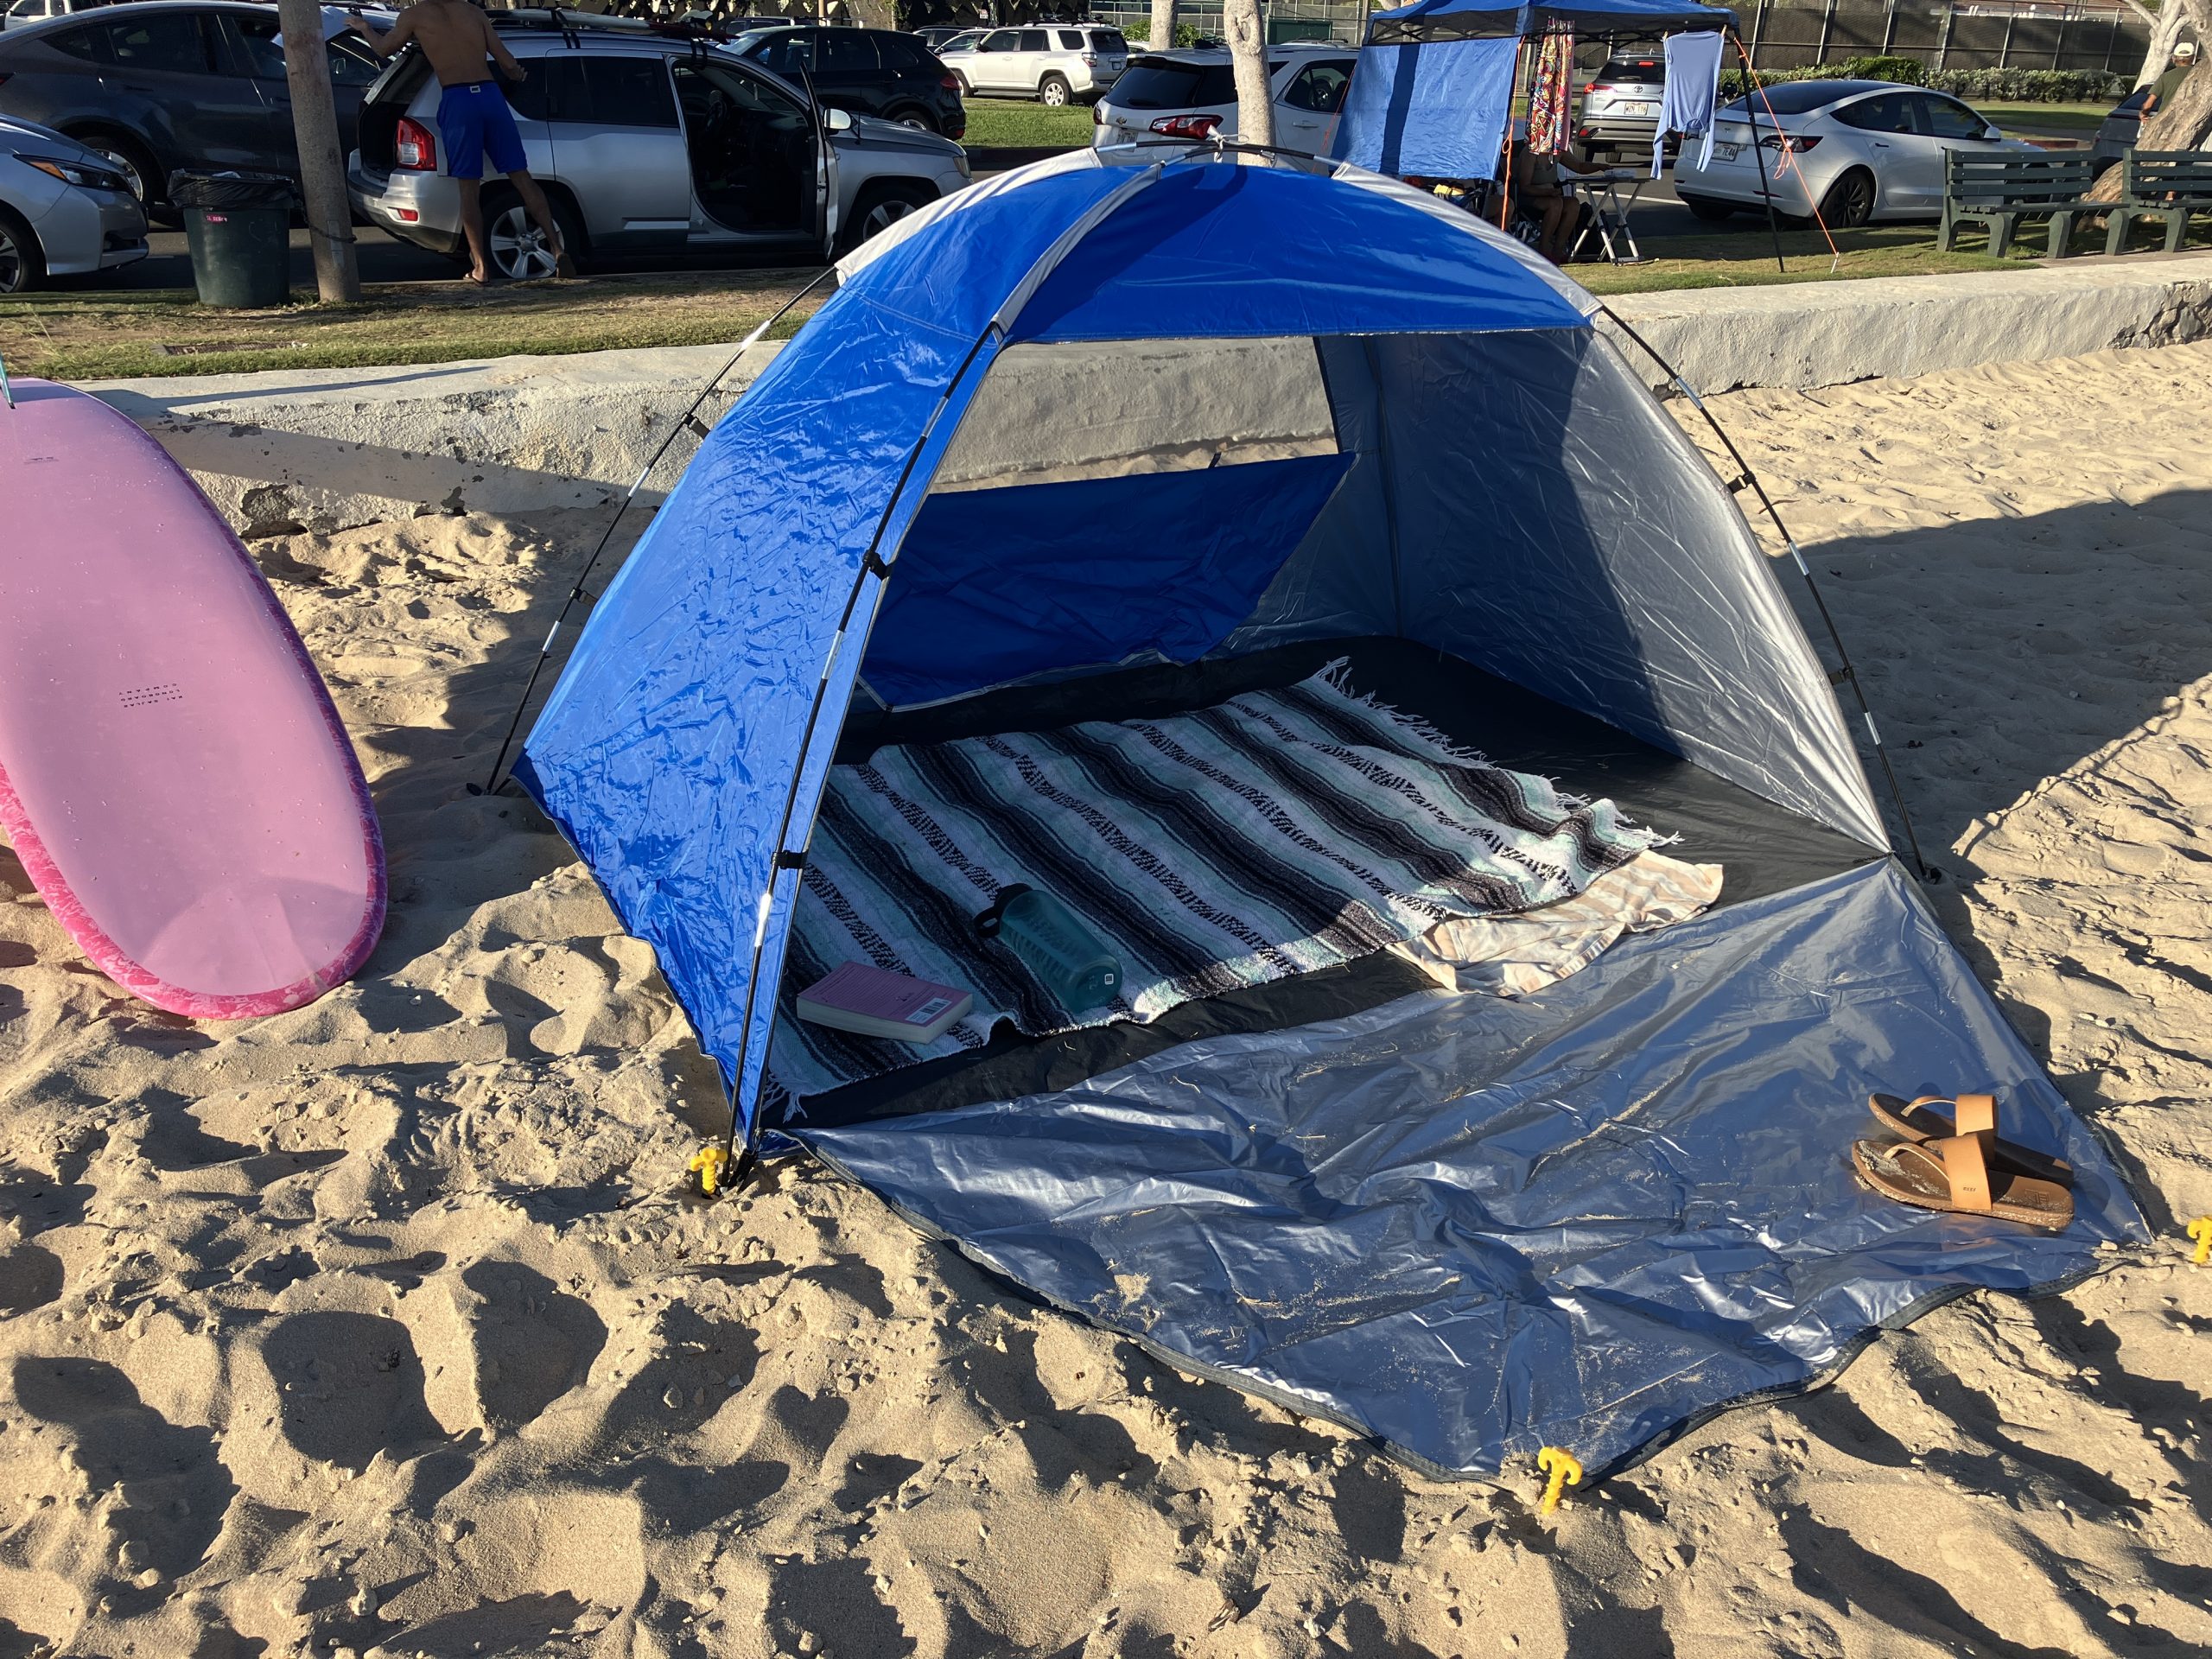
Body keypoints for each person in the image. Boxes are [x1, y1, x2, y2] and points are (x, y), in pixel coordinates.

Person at [346, 0, 574, 283]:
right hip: (490, 97)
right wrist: (516, 75)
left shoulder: (414, 15)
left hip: (458, 99)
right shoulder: (472, 12)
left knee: (468, 189)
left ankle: (480, 267)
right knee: (522, 178)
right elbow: (507, 62)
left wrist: (363, 27)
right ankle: (557, 249)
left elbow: (383, 49)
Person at [1503, 122, 1608, 264]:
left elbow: (1579, 166)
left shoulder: (1558, 151)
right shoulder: (1531, 153)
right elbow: (1524, 187)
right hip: (1528, 197)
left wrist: (1599, 166)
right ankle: (1544, 248)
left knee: (1572, 204)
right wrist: (1547, 192)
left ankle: (1559, 248)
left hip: (1549, 196)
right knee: (1556, 203)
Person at [2145, 40, 2198, 117]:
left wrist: (2143, 114)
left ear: (2174, 58)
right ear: (2193, 57)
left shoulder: (2165, 76)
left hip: (2164, 118)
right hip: (2191, 118)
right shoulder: (2200, 74)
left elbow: (2149, 102)